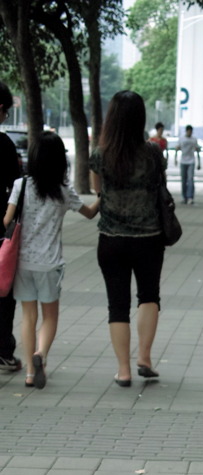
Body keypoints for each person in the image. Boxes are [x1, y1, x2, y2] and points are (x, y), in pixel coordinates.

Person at [4, 132, 98, 389]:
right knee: (50, 317)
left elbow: (5, 222)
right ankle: (41, 355)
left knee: (28, 316)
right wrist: (103, 196)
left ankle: (29, 375)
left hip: (23, 263)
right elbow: (89, 213)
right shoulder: (63, 190)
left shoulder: (20, 185)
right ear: (60, 161)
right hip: (51, 264)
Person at [90, 90, 166, 386]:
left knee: (117, 305)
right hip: (149, 238)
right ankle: (144, 358)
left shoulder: (100, 155)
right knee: (149, 296)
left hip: (110, 239)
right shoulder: (152, 152)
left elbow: (99, 190)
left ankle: (123, 371)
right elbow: (158, 183)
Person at [0, 79, 22, 373]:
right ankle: (3, 350)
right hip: (0, 229)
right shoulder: (3, 145)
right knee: (3, 291)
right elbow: (16, 187)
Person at [174, 124, 200, 204]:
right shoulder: (181, 138)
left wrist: (199, 162)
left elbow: (197, 150)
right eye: (189, 131)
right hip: (183, 161)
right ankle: (184, 197)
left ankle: (190, 197)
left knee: (190, 179)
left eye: (191, 132)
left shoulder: (194, 139)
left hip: (191, 161)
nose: (190, 133)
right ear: (186, 131)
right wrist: (175, 159)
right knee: (183, 180)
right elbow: (177, 149)